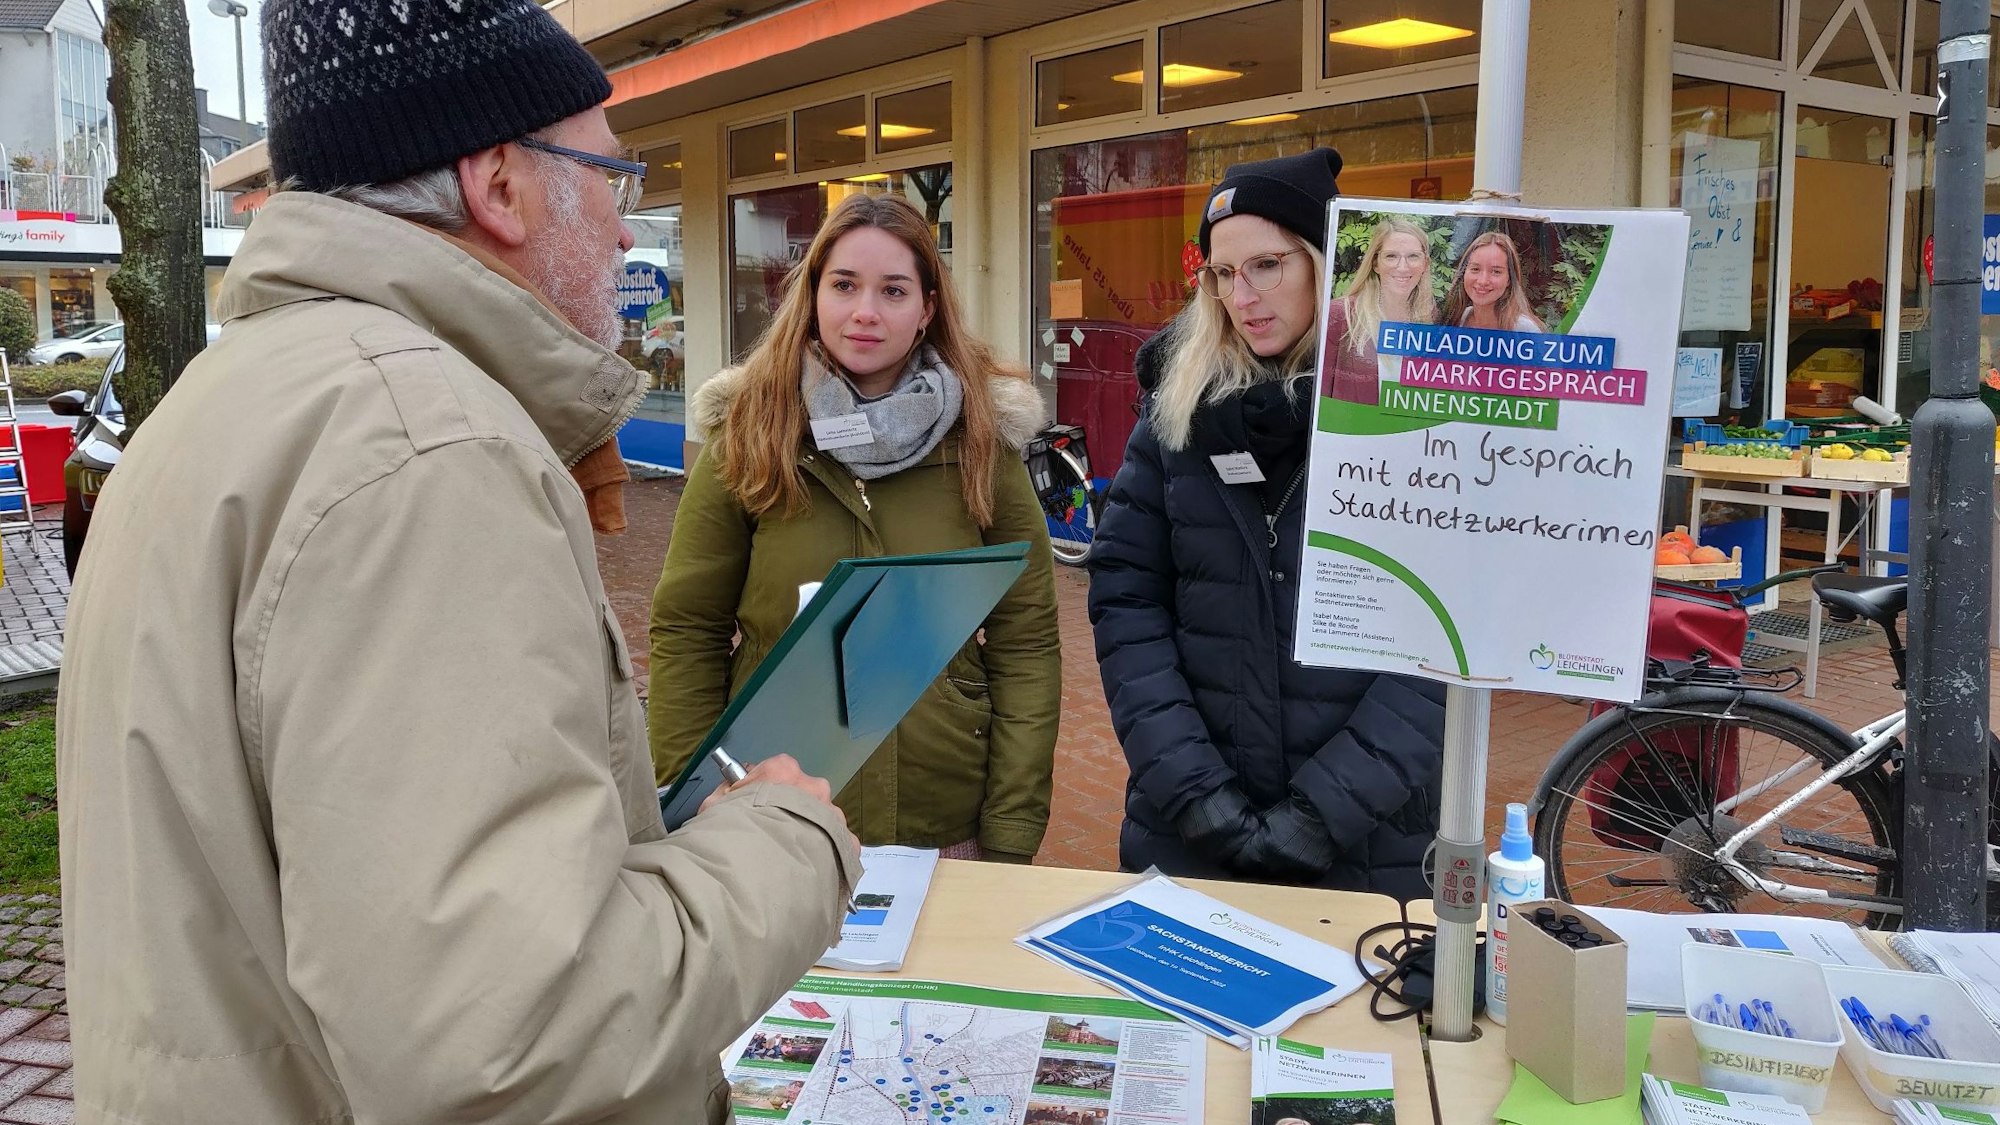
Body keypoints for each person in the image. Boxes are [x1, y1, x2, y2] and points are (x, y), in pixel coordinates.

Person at [54, 1, 860, 1121]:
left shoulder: (238, 399)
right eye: (611, 181)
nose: (628, 234)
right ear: (500, 184)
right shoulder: (424, 449)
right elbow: (515, 1042)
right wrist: (781, 842)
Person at [648, 192, 1061, 863]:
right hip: (770, 815)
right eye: (844, 285)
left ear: (927, 309)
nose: (865, 311)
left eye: (893, 290)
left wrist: (1010, 829)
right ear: (813, 294)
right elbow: (687, 629)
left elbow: (1027, 641)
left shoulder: (983, 441)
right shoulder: (751, 437)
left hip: (942, 817)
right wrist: (697, 794)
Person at [1088, 148, 1446, 898]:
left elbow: (1439, 644)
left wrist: (1322, 813)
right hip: (1190, 830)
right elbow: (1128, 603)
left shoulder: (1409, 415)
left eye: (1267, 265)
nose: (1242, 294)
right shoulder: (1174, 418)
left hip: (1364, 841)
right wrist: (1195, 793)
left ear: (1322, 263)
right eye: (1223, 273)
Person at [1321, 217, 1436, 405]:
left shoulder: (1431, 317)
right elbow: (1320, 399)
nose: (1402, 266)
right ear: (1376, 263)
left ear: (1425, 264)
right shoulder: (1340, 315)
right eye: (1391, 256)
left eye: (1413, 256)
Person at [1444, 229, 1545, 332]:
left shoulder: (1525, 330)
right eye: (1475, 269)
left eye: (1496, 272)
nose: (1483, 281)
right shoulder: (1458, 320)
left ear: (1509, 279)